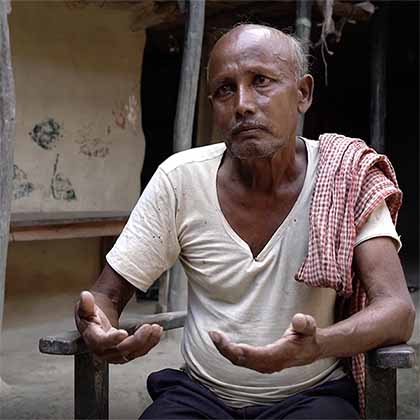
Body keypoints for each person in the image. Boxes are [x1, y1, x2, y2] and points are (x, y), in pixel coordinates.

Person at [75, 24, 415, 419]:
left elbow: (397, 309)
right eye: (224, 89)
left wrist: (317, 344)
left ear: (303, 93)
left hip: (311, 395)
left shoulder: (345, 176)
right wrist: (97, 325)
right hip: (202, 396)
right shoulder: (181, 179)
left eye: (261, 81)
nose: (242, 104)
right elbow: (106, 296)